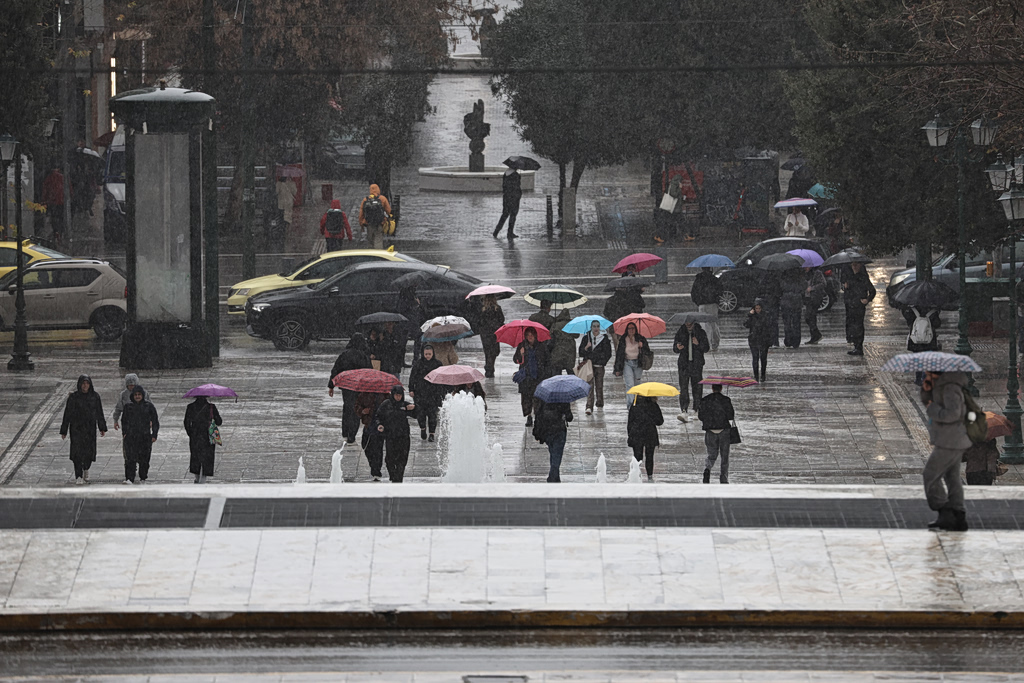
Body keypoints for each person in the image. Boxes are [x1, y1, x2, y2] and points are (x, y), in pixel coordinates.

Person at [919, 371, 971, 531]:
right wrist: (926, 391)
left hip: (950, 441)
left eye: (929, 372)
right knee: (952, 477)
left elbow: (953, 414)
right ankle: (958, 515)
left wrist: (933, 408)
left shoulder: (950, 389)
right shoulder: (942, 387)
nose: (926, 374)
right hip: (951, 439)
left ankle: (945, 511)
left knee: (930, 474)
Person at [60, 375, 107, 485]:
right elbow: (67, 414)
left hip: (89, 428)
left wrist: (102, 427)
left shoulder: (95, 397)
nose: (85, 386)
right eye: (83, 383)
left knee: (88, 452)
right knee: (77, 452)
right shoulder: (73, 398)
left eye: (87, 383)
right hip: (76, 428)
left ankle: (86, 468)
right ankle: (78, 475)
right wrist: (64, 430)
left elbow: (99, 412)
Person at [328, 333, 373, 444]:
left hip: (347, 387)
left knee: (347, 408)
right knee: (357, 410)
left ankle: (345, 431)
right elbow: (370, 372)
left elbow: (336, 370)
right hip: (360, 387)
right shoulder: (363, 356)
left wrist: (331, 385)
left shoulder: (345, 355)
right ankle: (352, 434)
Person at [374, 386, 416, 482]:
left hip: (403, 436)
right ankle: (393, 475)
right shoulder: (386, 404)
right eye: (396, 395)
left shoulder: (404, 405)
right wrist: (379, 425)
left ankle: (398, 478)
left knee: (402, 459)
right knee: (390, 459)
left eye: (400, 395)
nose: (398, 397)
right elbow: (378, 416)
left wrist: (414, 408)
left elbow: (418, 414)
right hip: (390, 436)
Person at [120, 385, 159, 485]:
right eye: (136, 395)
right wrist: (125, 433)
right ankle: (130, 478)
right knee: (130, 459)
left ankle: (143, 477)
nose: (137, 396)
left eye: (139, 395)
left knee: (144, 459)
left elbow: (155, 421)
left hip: (144, 437)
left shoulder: (149, 406)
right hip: (131, 437)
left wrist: (154, 434)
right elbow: (124, 421)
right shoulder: (128, 407)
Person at [698, 383, 735, 484]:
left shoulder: (705, 400)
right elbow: (731, 416)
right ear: (721, 388)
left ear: (712, 388)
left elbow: (700, 416)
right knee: (724, 456)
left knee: (712, 454)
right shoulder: (726, 400)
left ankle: (707, 469)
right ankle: (723, 477)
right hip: (724, 430)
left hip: (710, 430)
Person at [673, 321, 709, 421]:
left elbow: (706, 348)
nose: (688, 325)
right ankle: (684, 409)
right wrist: (677, 347)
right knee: (683, 388)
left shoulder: (700, 333)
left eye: (690, 324)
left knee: (697, 387)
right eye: (686, 323)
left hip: (696, 364)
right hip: (684, 364)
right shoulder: (680, 332)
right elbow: (675, 348)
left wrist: (698, 344)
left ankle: (696, 408)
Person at [513, 328, 549, 426]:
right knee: (526, 399)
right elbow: (516, 360)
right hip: (526, 378)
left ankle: (537, 416)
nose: (530, 336)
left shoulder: (541, 346)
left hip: (538, 376)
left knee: (537, 398)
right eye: (528, 334)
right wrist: (521, 354)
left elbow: (546, 360)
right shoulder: (522, 346)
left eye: (532, 334)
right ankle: (529, 416)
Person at [532, 398, 573, 482]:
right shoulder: (563, 398)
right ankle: (552, 476)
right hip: (559, 431)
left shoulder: (544, 398)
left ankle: (555, 477)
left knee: (553, 453)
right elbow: (570, 417)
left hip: (548, 431)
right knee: (557, 455)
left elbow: (538, 414)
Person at [408, 345, 443, 442]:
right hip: (420, 393)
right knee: (420, 414)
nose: (427, 356)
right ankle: (423, 429)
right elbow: (412, 377)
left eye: (429, 354)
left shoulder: (438, 364)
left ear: (433, 354)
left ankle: (432, 433)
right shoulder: (418, 364)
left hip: (433, 394)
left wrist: (441, 393)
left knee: (432, 415)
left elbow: (442, 379)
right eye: (426, 354)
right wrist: (411, 389)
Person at [184, 396, 222, 483]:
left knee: (195, 457)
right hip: (208, 435)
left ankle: (197, 477)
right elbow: (219, 421)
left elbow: (186, 422)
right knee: (207, 458)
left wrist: (191, 433)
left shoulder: (190, 407)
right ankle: (203, 478)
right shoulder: (211, 407)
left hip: (195, 436)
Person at [614, 322, 652, 408]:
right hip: (627, 363)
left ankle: (637, 403)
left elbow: (648, 352)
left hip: (638, 364)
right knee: (629, 384)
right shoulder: (623, 339)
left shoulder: (640, 339)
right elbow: (619, 354)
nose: (631, 330)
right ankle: (630, 405)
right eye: (629, 328)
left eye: (633, 328)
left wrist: (642, 346)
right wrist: (617, 368)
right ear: (627, 330)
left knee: (637, 384)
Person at [843, 261, 876, 356]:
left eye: (856, 265)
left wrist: (867, 299)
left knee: (858, 325)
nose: (854, 267)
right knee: (852, 325)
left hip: (858, 305)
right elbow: (848, 291)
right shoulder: (849, 277)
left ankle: (858, 346)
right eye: (852, 265)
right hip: (850, 304)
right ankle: (855, 344)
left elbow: (872, 291)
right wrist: (846, 287)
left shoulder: (863, 278)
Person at [579, 320, 612, 415]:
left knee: (599, 385)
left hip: (600, 366)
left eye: (598, 326)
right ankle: (589, 406)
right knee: (590, 386)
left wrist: (602, 362)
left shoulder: (604, 339)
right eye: (594, 326)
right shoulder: (586, 338)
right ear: (591, 327)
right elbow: (581, 352)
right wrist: (586, 348)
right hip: (589, 366)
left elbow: (608, 353)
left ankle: (600, 402)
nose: (596, 328)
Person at [627, 395, 663, 481]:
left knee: (637, 457)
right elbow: (660, 421)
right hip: (650, 433)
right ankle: (650, 476)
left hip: (636, 433)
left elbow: (630, 422)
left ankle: (636, 475)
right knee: (650, 456)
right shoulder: (653, 405)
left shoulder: (635, 405)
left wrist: (630, 435)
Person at [357, 391, 387, 480]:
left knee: (378, 450)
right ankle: (373, 465)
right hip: (368, 425)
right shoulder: (363, 395)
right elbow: (357, 407)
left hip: (380, 427)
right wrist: (362, 411)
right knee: (366, 446)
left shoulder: (385, 395)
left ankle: (376, 470)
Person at [690, 267, 723, 350]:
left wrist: (698, 301)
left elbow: (693, 292)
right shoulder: (714, 279)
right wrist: (716, 300)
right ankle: (715, 343)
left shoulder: (698, 280)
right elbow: (721, 291)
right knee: (713, 324)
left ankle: (706, 342)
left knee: (704, 324)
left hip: (702, 304)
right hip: (713, 304)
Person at [476, 294, 505, 378]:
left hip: (485, 333)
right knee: (494, 351)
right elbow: (502, 319)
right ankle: (490, 367)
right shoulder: (497, 308)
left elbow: (479, 321)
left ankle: (489, 367)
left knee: (487, 351)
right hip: (495, 333)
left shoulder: (482, 309)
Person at [745, 298, 774, 383]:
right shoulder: (752, 316)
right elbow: (746, 324)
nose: (757, 310)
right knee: (755, 358)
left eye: (759, 308)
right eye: (756, 308)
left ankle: (763, 375)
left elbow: (770, 328)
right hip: (754, 339)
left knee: (763, 358)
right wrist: (749, 315)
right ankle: (756, 376)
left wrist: (770, 340)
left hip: (763, 339)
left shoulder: (766, 316)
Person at [359, 183, 392, 250]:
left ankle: (371, 254)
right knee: (378, 239)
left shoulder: (365, 200)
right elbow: (389, 211)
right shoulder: (382, 199)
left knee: (370, 240)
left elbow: (361, 214)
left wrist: (361, 224)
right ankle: (378, 254)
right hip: (380, 223)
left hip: (369, 223)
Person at [493, 168, 522, 239]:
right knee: (513, 215)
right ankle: (510, 232)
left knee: (505, 214)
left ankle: (496, 231)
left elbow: (505, 186)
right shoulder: (515, 175)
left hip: (506, 197)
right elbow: (516, 187)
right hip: (514, 198)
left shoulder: (506, 174)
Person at [780, 270, 804, 349]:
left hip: (786, 302)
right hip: (796, 301)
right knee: (796, 322)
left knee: (787, 323)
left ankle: (788, 339)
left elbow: (781, 288)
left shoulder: (783, 278)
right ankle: (796, 341)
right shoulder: (799, 278)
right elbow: (803, 286)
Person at [547, 311, 577, 376]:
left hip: (558, 351)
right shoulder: (571, 325)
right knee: (570, 371)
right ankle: (573, 384)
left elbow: (550, 336)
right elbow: (577, 335)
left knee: (557, 372)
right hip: (570, 352)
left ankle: (557, 384)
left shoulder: (555, 325)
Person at [41, 166, 65, 243]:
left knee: (53, 218)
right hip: (61, 202)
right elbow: (69, 189)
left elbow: (45, 190)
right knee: (60, 217)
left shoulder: (49, 178)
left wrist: (44, 200)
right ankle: (60, 232)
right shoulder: (62, 178)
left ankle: (55, 231)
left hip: (51, 202)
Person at [804, 267, 826, 344]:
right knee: (810, 317)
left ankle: (816, 334)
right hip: (808, 298)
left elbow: (823, 284)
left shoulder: (817, 273)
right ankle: (814, 336)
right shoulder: (805, 274)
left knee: (809, 316)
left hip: (815, 298)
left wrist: (812, 288)